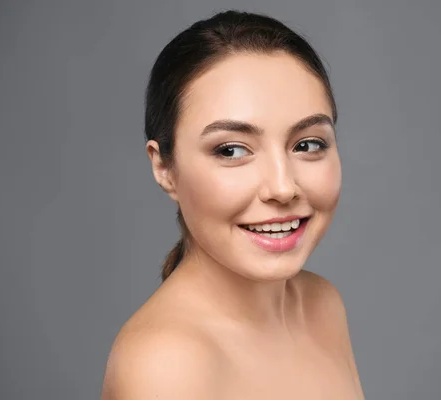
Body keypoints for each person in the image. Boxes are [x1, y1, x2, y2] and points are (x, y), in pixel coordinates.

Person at [102, 10, 365, 399]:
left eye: (307, 144)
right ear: (164, 168)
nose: (282, 187)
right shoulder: (165, 366)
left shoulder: (323, 305)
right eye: (231, 150)